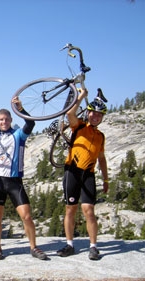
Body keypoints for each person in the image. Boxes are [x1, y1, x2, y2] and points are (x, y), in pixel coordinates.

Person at [0, 97, 47, 260]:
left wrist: (21, 109)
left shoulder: (19, 135)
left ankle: (33, 247)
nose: (4, 121)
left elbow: (31, 123)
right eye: (1, 119)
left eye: (6, 119)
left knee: (26, 216)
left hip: (14, 181)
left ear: (11, 120)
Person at [56, 88, 109, 260]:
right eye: (93, 114)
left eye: (99, 115)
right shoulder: (78, 126)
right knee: (70, 209)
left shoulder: (100, 136)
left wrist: (106, 179)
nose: (96, 117)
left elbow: (101, 158)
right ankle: (70, 244)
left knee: (89, 211)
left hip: (89, 175)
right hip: (72, 171)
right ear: (88, 113)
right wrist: (81, 96)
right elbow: (70, 113)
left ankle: (93, 247)